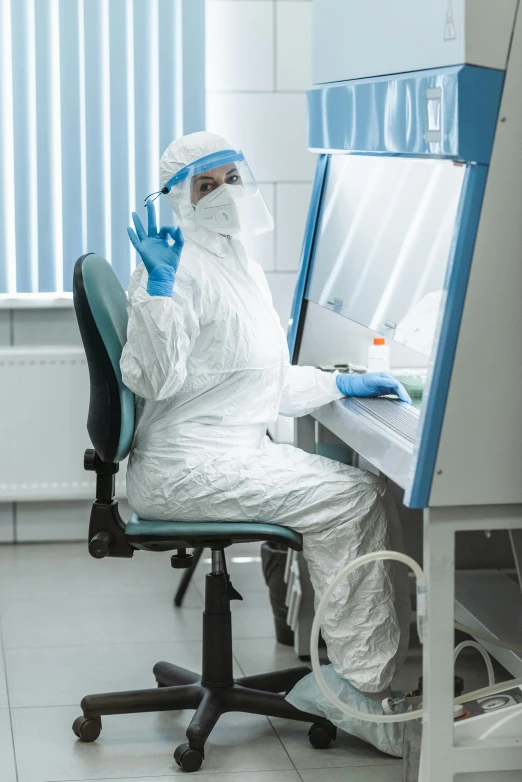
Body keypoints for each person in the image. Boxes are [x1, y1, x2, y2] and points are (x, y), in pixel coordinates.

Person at [120, 131, 412, 756]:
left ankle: (353, 676)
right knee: (352, 499)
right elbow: (155, 377)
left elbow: (262, 381)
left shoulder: (235, 260)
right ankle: (361, 692)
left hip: (230, 448)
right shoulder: (171, 267)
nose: (225, 193)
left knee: (355, 489)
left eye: (231, 176)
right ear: (177, 199)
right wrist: (160, 291)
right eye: (206, 185)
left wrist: (342, 382)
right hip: (185, 466)